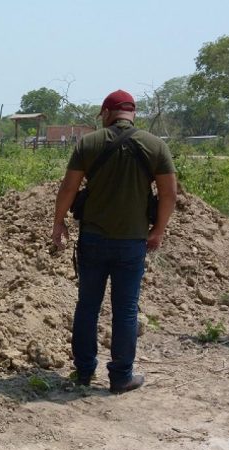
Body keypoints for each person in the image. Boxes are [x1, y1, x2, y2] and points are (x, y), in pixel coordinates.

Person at [51, 89, 177, 394]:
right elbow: (169, 194)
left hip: (93, 239)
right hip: (132, 242)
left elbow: (69, 188)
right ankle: (121, 377)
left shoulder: (89, 143)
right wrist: (158, 230)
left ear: (107, 113)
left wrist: (58, 223)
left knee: (87, 307)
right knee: (126, 310)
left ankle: (83, 372)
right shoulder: (155, 145)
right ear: (132, 114)